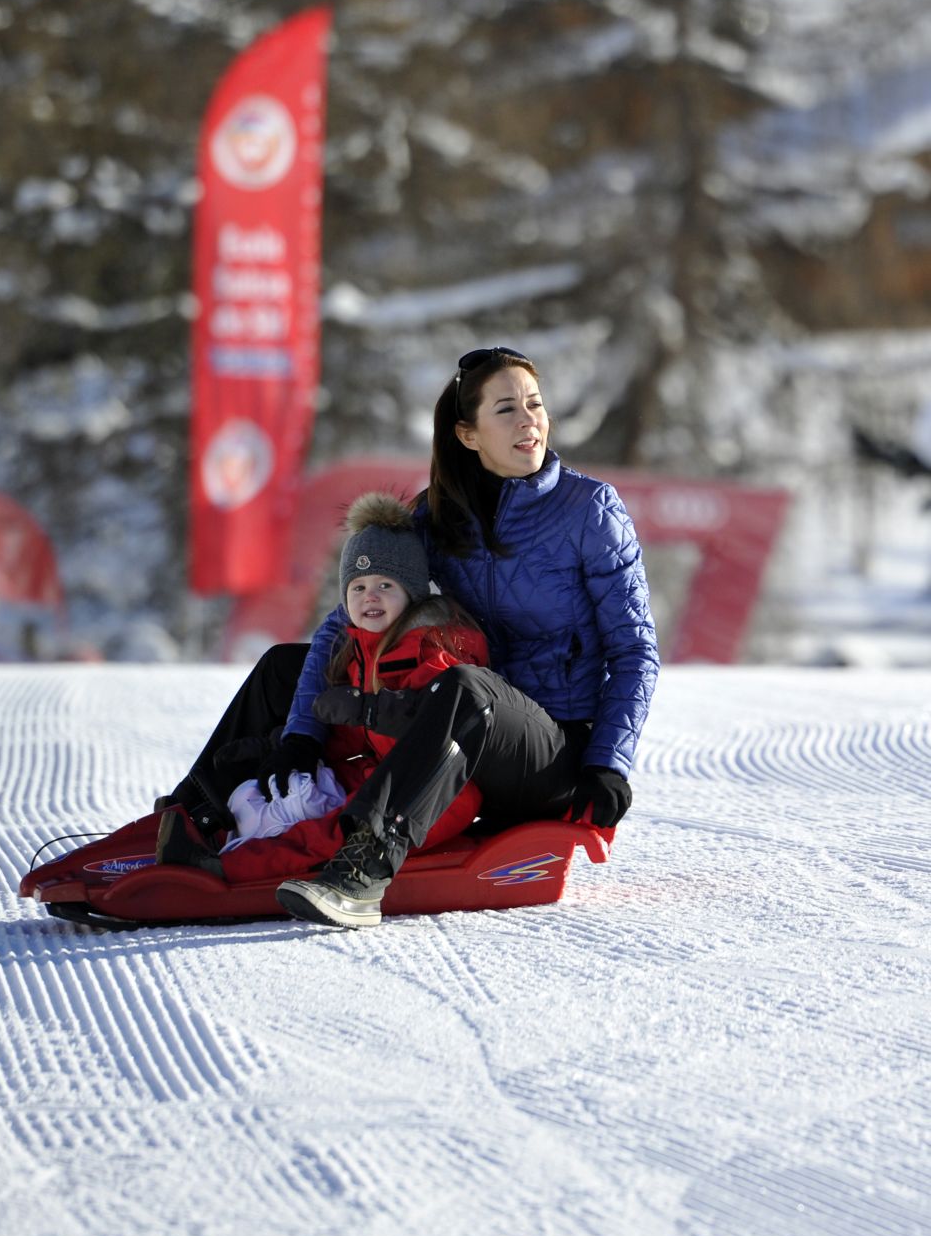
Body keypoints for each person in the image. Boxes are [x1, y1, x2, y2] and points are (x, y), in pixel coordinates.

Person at [159, 345, 659, 928]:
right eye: (507, 410)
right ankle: (189, 820)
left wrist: (608, 762)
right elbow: (340, 627)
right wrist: (299, 734)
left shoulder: (590, 511)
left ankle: (363, 868)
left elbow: (634, 650)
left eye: (535, 404)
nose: (529, 421)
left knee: (470, 689)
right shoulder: (435, 519)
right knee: (283, 668)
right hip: (449, 729)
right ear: (468, 435)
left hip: (548, 753)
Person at [155, 491, 490, 887]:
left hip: (429, 793)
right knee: (287, 790)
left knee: (334, 830)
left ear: (414, 594)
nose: (371, 596)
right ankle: (208, 819)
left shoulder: (430, 653)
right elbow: (353, 741)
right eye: (359, 587)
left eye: (385, 585)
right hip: (372, 778)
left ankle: (229, 867)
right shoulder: (360, 649)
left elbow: (429, 732)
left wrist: (367, 710)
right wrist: (287, 745)